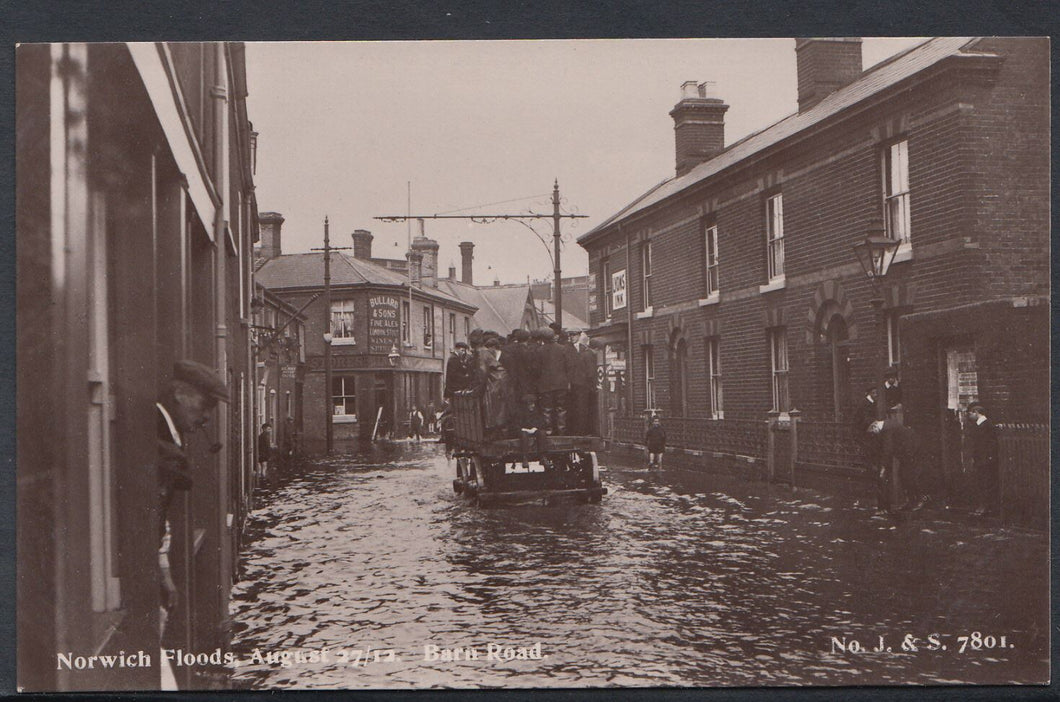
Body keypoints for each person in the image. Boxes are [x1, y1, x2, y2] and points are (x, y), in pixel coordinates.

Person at [156, 360, 229, 690]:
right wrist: (162, 569)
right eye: (204, 404)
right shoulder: (158, 434)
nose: (206, 416)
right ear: (179, 395)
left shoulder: (170, 435)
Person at [966, 403, 1000, 517]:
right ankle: (983, 506)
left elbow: (992, 443)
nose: (969, 416)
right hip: (980, 459)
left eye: (970, 413)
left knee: (986, 482)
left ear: (976, 412)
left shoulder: (987, 425)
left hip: (986, 460)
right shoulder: (977, 425)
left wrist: (989, 457)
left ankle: (986, 506)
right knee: (981, 482)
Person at [537, 328, 571, 435]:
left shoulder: (539, 351)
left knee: (547, 409)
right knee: (561, 408)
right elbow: (569, 366)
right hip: (561, 383)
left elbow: (536, 369)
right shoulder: (563, 349)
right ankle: (562, 431)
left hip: (545, 384)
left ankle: (549, 431)